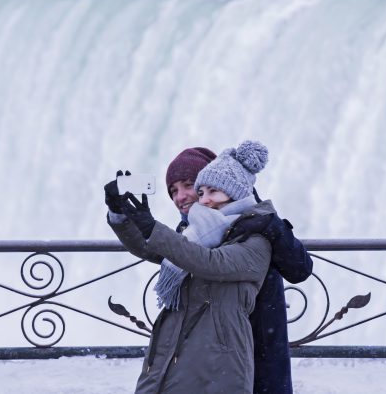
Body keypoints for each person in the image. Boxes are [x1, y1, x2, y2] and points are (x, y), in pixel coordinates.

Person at [105, 140, 279, 394]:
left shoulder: (256, 237)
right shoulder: (194, 233)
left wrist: (152, 228)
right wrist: (119, 214)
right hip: (174, 352)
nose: (202, 200)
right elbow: (155, 248)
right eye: (200, 192)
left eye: (209, 191)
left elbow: (209, 262)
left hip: (218, 364)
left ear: (234, 191)